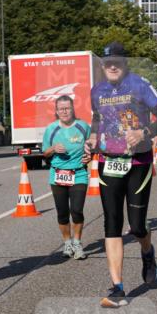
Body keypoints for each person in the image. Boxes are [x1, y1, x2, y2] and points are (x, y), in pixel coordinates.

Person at [85, 41, 157, 308]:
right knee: (111, 222)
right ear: (103, 66)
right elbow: (97, 120)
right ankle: (118, 288)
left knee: (136, 227)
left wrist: (143, 132)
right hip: (108, 162)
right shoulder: (97, 91)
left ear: (124, 64)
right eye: (108, 63)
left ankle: (147, 251)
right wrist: (91, 140)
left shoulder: (139, 85)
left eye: (117, 62)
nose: (112, 66)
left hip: (138, 162)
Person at [42, 95, 91, 260]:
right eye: (61, 109)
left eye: (67, 108)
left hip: (79, 173)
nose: (64, 112)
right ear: (56, 111)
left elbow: (92, 146)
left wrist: (89, 156)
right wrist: (53, 148)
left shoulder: (83, 126)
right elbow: (45, 152)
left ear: (72, 109)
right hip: (58, 175)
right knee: (62, 213)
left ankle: (77, 242)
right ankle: (67, 242)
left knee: (76, 210)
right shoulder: (51, 129)